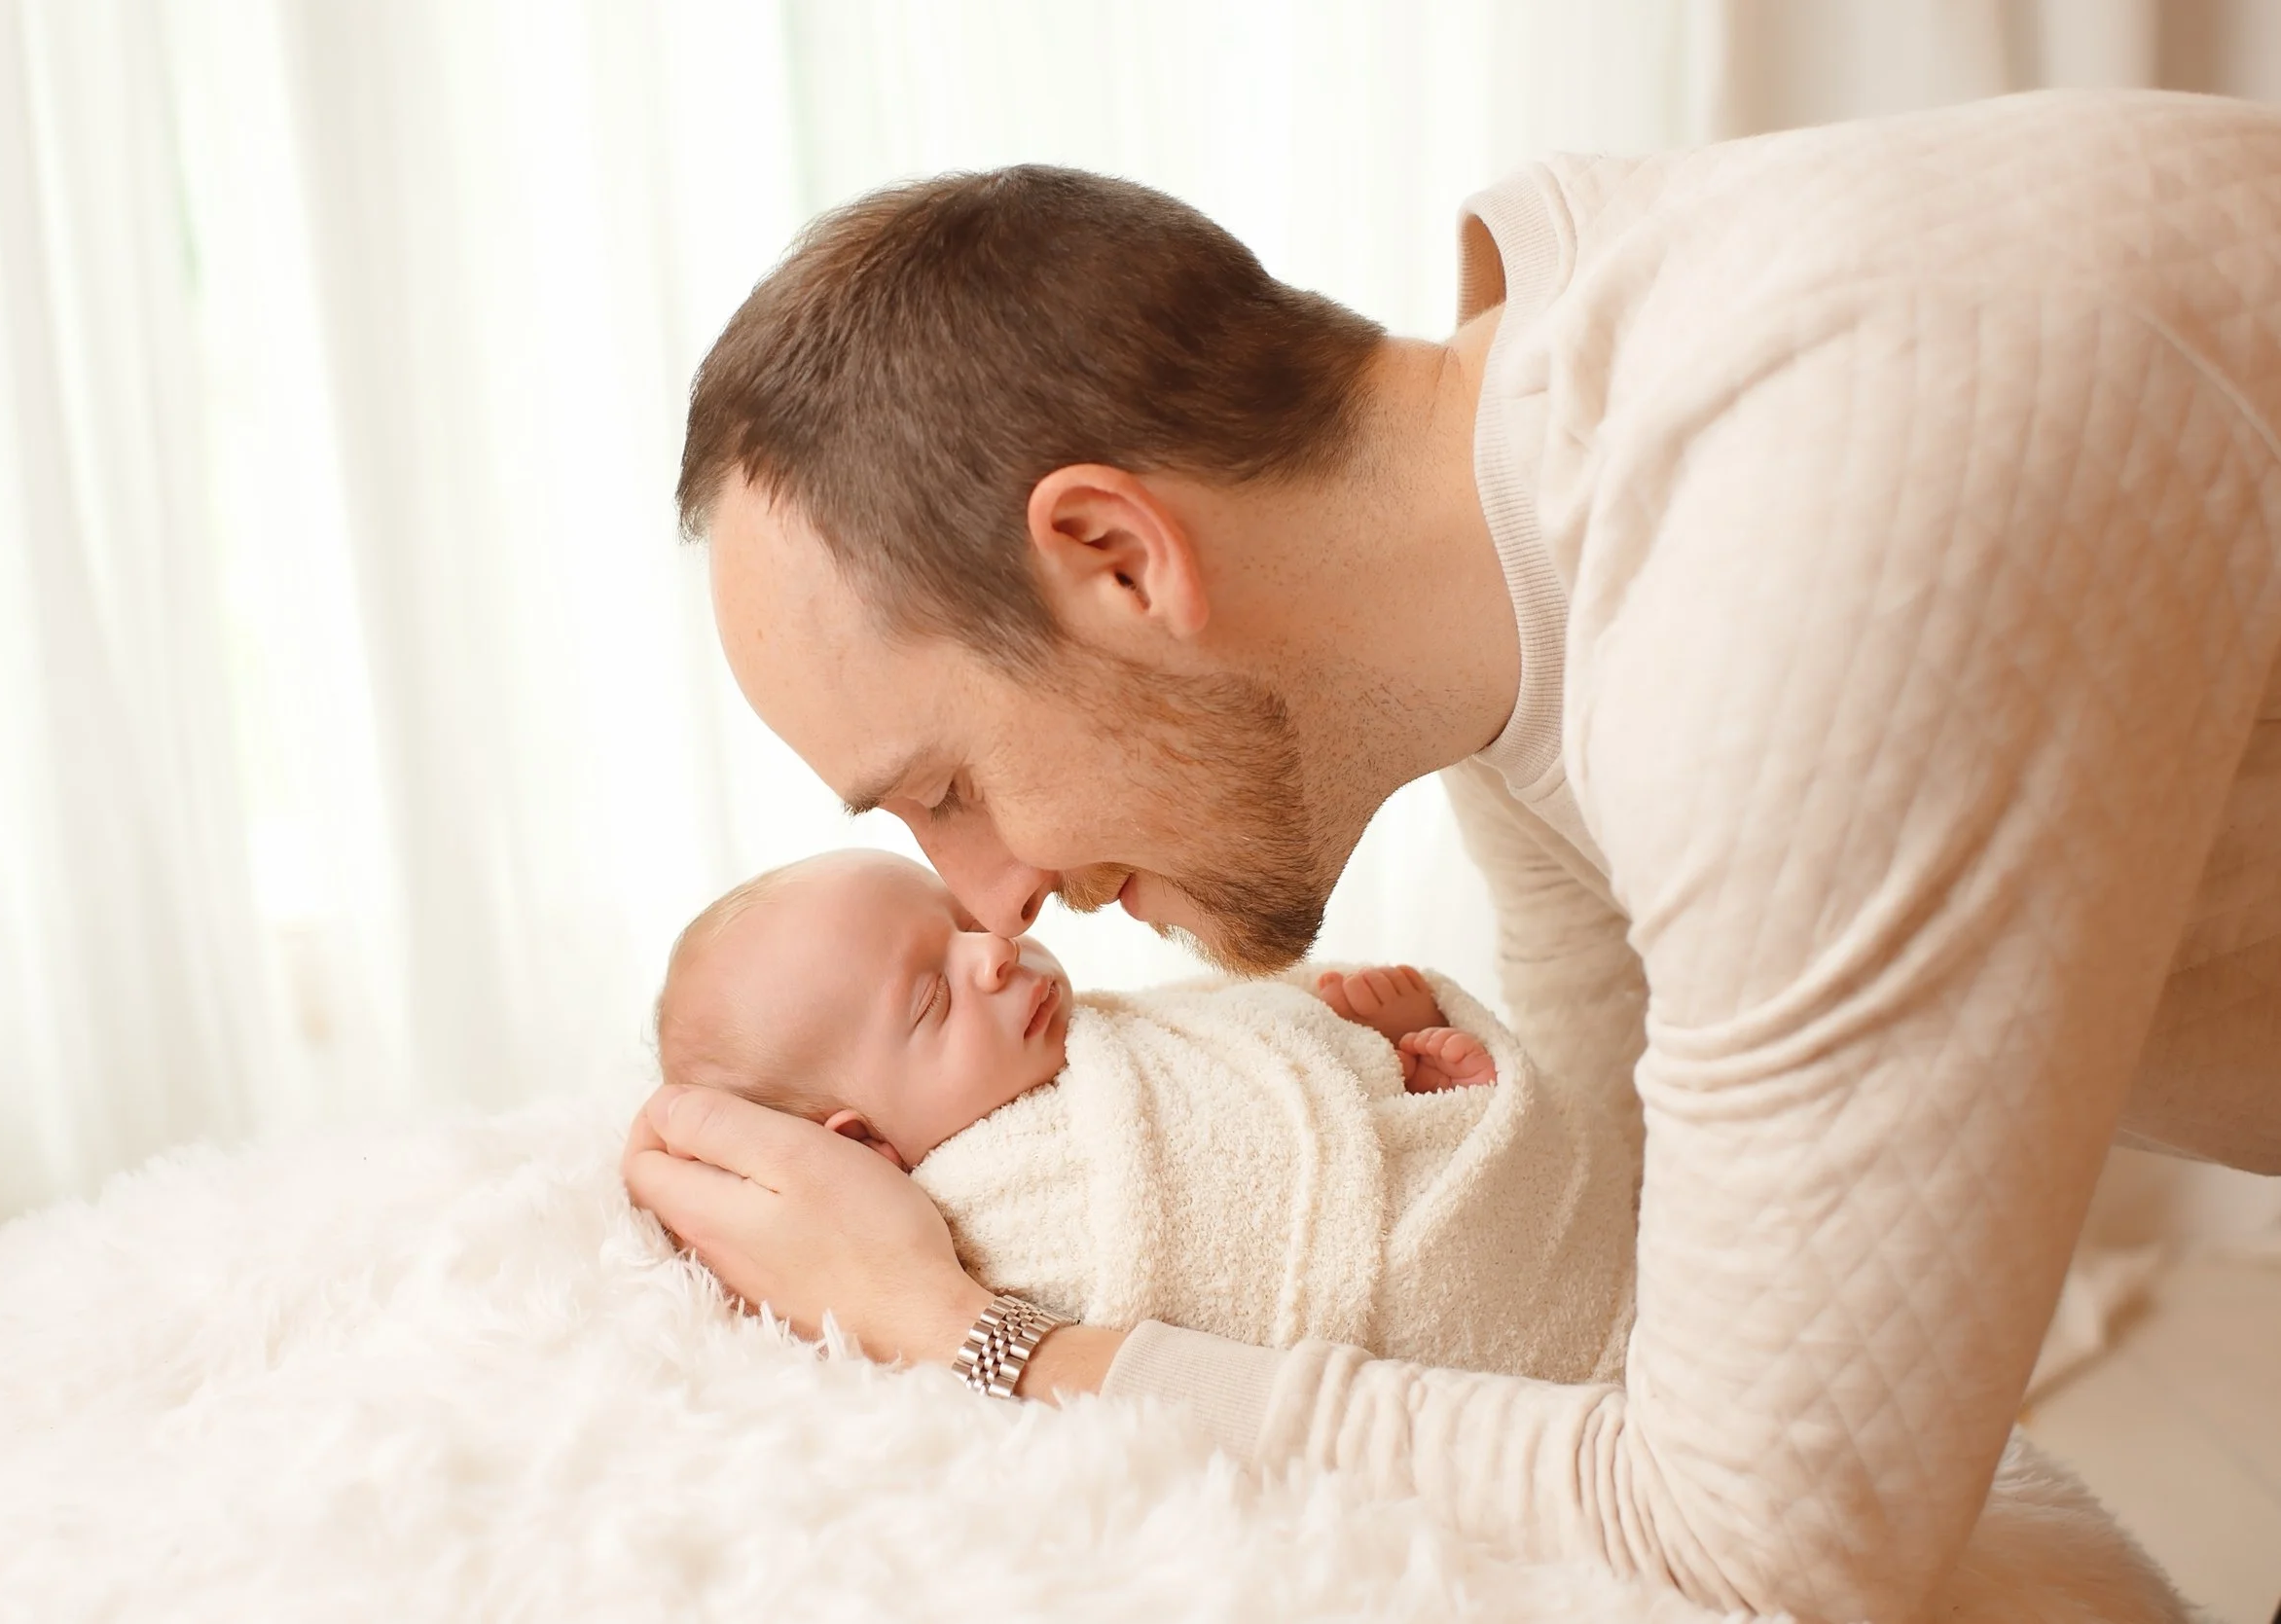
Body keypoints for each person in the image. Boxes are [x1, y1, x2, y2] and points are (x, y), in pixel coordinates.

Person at [621, 88, 2281, 1620]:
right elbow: (1622, 1264)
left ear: (1117, 555)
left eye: (951, 782)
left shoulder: (1799, 550)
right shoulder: (1519, 565)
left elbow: (1767, 1538)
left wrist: (985, 1339)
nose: (985, 893)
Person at [643, 849, 1633, 1382]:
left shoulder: (1086, 1041)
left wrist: (1349, 1050)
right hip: (1479, 1309)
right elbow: (1236, 1209)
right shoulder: (990, 1213)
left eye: (957, 920)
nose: (992, 952)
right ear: (858, 1148)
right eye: (932, 998)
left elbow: (1236, 1042)